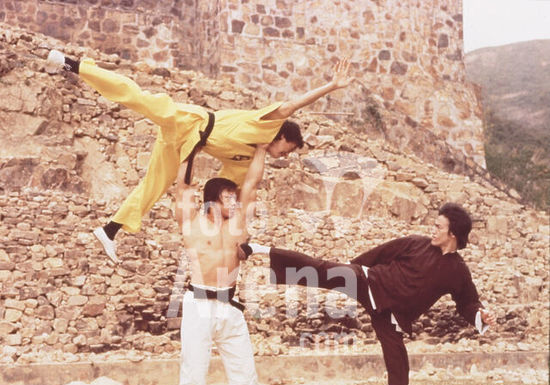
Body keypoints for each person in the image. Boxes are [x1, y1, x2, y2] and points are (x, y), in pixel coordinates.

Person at [46, 49, 352, 263]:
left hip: (187, 145)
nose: (283, 156)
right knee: (139, 99)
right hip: (192, 121)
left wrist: (229, 236)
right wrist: (331, 86)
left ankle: (110, 230)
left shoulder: (247, 160)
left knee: (156, 183)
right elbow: (292, 106)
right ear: (282, 137)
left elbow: (232, 191)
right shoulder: (264, 125)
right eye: (287, 149)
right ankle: (74, 64)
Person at [240, 203, 497, 385]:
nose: (433, 230)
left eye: (439, 227)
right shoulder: (416, 243)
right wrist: (349, 269)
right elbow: (381, 253)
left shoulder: (458, 271)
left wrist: (480, 314)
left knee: (398, 359)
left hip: (391, 315)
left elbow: (467, 302)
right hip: (369, 283)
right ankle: (261, 250)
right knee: (321, 268)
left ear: (453, 234)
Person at [167, 142, 276, 385]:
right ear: (213, 200)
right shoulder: (191, 223)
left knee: (244, 368)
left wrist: (262, 148)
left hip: (230, 304)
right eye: (229, 198)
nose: (235, 203)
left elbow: (252, 183)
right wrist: (191, 147)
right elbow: (183, 186)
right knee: (194, 369)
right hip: (199, 302)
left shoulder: (237, 224)